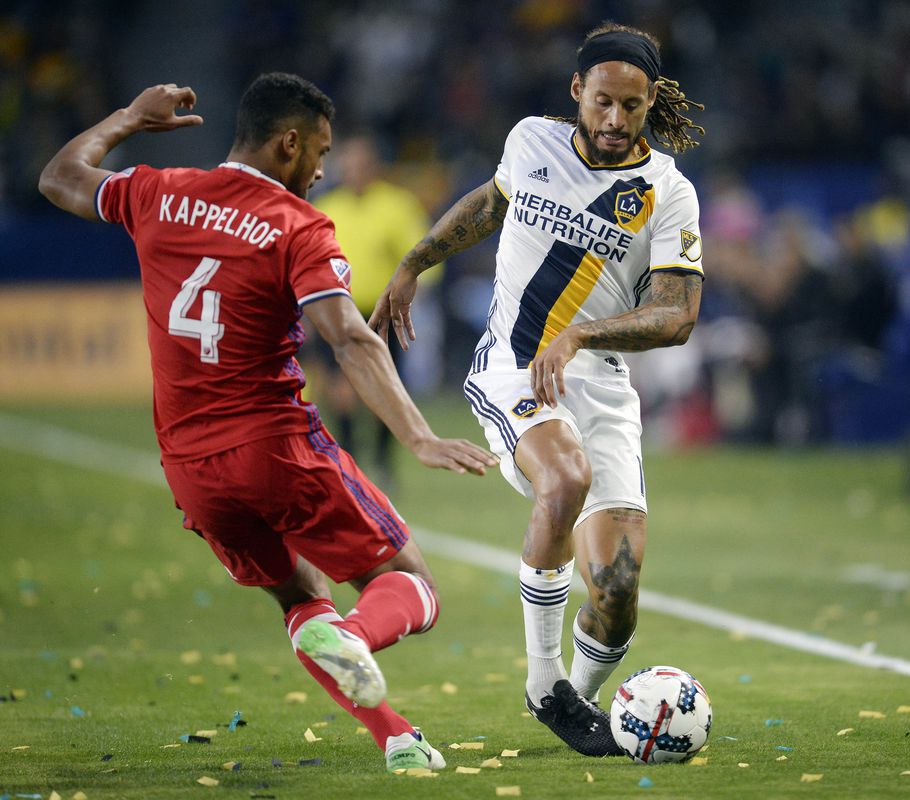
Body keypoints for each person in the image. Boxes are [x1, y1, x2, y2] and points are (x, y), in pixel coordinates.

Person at [37, 74, 497, 772]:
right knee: (411, 584)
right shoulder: (296, 223)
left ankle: (397, 740)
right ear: (288, 143)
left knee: (301, 599)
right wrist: (419, 436)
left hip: (190, 470)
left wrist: (129, 117)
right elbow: (348, 336)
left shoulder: (157, 192)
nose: (322, 168)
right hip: (272, 447)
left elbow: (58, 177)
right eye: (319, 151)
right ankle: (357, 639)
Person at [370, 22, 705, 756]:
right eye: (604, 102)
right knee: (566, 478)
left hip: (601, 383)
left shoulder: (667, 193)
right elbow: (491, 205)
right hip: (514, 367)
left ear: (650, 104)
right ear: (576, 92)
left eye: (633, 107)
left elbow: (679, 315)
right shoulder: (532, 141)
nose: (615, 121)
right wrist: (414, 263)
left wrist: (587, 334)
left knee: (616, 592)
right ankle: (546, 681)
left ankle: (575, 706)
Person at [312, 134, 439, 490]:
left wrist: (416, 292)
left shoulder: (397, 206)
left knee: (385, 389)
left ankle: (383, 463)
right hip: (336, 309)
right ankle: (349, 459)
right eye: (349, 165)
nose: (355, 172)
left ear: (375, 167)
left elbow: (422, 256)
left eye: (362, 165)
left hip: (384, 313)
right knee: (342, 390)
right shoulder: (328, 207)